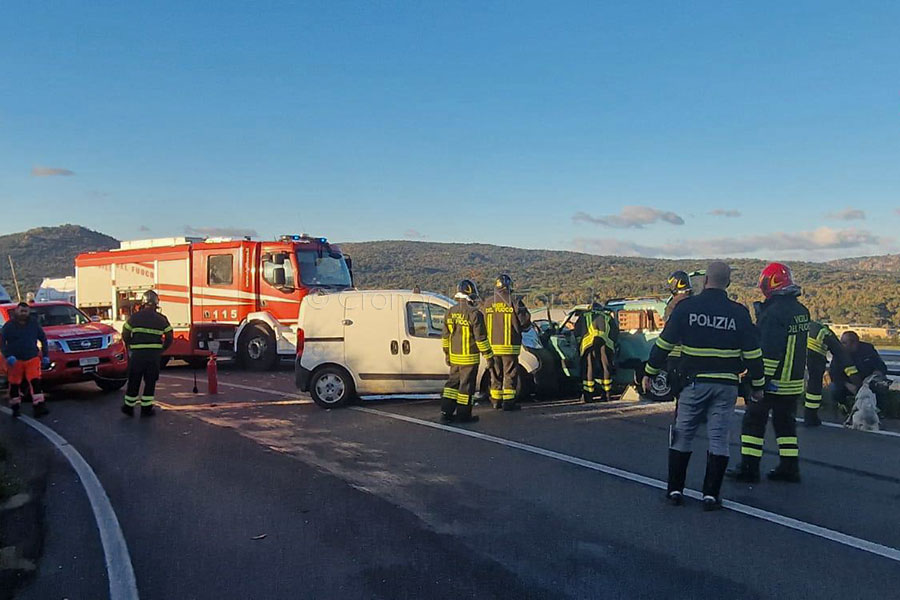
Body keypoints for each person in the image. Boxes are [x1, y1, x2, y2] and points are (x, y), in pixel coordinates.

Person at [644, 261, 765, 510]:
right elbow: (753, 354)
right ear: (728, 283)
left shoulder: (687, 308)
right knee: (719, 438)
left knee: (683, 434)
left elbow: (664, 344)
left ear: (705, 280)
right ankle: (711, 495)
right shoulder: (739, 312)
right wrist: (758, 385)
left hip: (694, 383)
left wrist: (650, 371)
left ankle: (675, 490)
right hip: (726, 385)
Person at [728, 263, 809, 484]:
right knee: (786, 426)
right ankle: (789, 468)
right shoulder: (801, 310)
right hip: (793, 382)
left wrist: (758, 383)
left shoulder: (774, 313)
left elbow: (770, 353)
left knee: (753, 423)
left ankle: (749, 468)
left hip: (773, 382)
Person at [440, 279, 493, 423]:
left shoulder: (450, 312)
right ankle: (464, 415)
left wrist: (447, 353)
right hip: (469, 358)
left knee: (452, 385)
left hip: (454, 357)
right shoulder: (475, 314)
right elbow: (481, 339)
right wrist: (489, 356)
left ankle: (446, 411)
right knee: (466, 388)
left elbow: (446, 337)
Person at [122, 290, 173, 417]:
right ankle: (146, 408)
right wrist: (162, 349)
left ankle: (129, 407)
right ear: (156, 304)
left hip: (138, 355)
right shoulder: (162, 319)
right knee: (150, 382)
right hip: (153, 356)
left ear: (143, 303)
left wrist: (131, 344)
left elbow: (125, 333)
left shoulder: (134, 317)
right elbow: (170, 337)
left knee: (134, 380)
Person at [484, 274, 531, 411]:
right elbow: (525, 322)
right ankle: (509, 403)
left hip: (492, 346)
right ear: (509, 286)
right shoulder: (514, 301)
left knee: (495, 374)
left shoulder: (487, 303)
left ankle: (495, 401)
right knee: (509, 374)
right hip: (509, 346)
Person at [1, 302, 51, 418]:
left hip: (32, 358)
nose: (23, 313)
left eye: (25, 311)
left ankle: (39, 406)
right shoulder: (9, 326)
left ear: (28, 312)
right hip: (15, 360)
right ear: (16, 311)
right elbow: (2, 343)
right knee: (14, 384)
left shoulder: (34, 324)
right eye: (21, 311)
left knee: (35, 382)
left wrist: (45, 355)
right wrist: (8, 356)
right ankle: (15, 407)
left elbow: (43, 339)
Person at [804, 321, 859, 426]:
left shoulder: (804, 326)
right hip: (814, 356)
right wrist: (857, 382)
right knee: (814, 387)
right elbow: (843, 357)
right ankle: (810, 417)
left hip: (793, 352)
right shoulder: (827, 334)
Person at [828, 331, 885, 411]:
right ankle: (844, 406)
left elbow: (881, 366)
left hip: (868, 382)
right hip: (849, 383)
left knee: (880, 384)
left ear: (854, 343)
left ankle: (878, 409)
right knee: (834, 387)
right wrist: (846, 384)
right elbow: (833, 373)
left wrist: (876, 374)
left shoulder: (868, 349)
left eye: (844, 343)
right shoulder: (839, 352)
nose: (841, 345)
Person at [574, 299, 618, 403]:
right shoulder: (607, 317)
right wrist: (613, 345)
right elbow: (615, 332)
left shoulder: (584, 316)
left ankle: (588, 396)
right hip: (605, 344)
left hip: (588, 345)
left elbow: (577, 332)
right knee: (605, 367)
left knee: (588, 368)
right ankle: (607, 394)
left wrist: (579, 344)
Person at [662, 270, 694, 399]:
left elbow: (668, 332)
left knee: (680, 398)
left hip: (676, 357)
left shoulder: (674, 304)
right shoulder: (696, 302)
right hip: (694, 357)